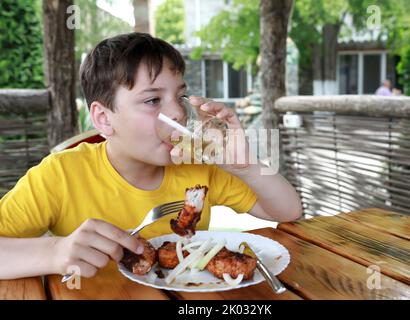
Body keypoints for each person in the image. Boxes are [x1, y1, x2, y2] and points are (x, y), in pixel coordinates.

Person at [0, 33, 302, 280]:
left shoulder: (196, 166)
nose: (178, 113)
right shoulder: (60, 176)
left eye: (180, 97)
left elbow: (287, 211)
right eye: (153, 100)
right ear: (104, 119)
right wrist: (54, 252)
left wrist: (248, 168)